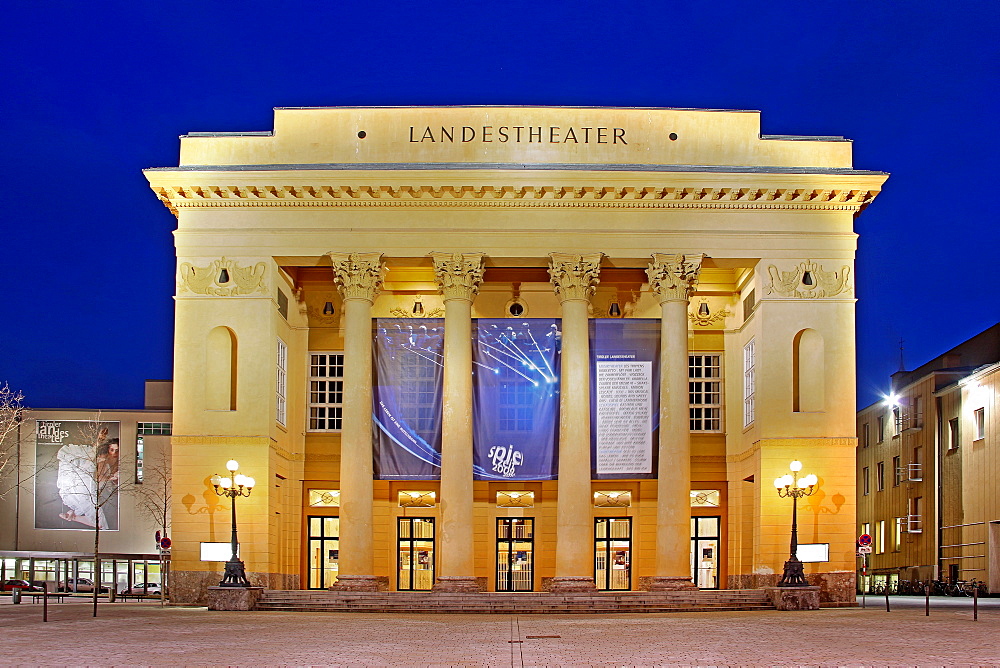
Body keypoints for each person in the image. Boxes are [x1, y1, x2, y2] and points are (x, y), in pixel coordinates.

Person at [56, 427, 114, 529]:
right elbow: (91, 456)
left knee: (100, 522)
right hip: (82, 487)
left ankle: (73, 516)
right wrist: (100, 440)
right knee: (100, 522)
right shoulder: (86, 462)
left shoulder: (102, 465)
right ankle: (73, 516)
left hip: (87, 488)